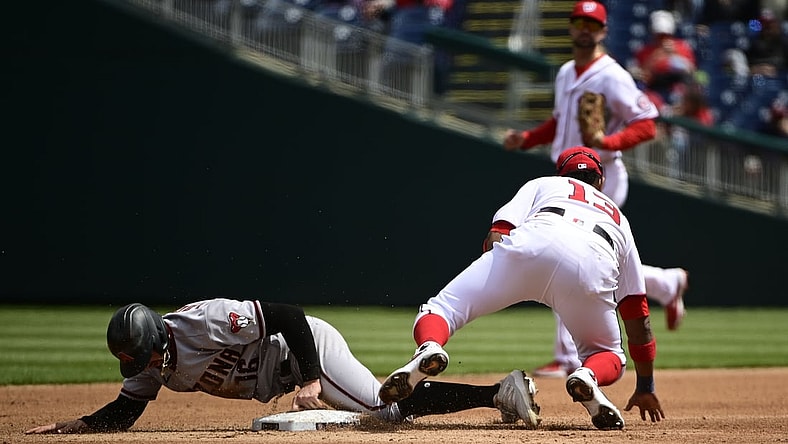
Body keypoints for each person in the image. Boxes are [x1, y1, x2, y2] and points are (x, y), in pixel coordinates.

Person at [378, 146, 665, 430]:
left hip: (533, 241)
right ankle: (588, 376)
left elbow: (497, 234)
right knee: (609, 355)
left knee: (442, 310)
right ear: (601, 181)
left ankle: (430, 347)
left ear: (561, 174)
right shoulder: (619, 218)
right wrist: (646, 385)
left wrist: (500, 279)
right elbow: (636, 310)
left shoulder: (544, 184)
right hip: (594, 261)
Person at [501, 1, 688, 379]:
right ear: (571, 27)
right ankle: (667, 284)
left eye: (593, 23)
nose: (585, 28)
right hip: (564, 174)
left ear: (603, 30)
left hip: (601, 177)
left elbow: (647, 123)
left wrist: (608, 139)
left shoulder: (612, 76)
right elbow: (559, 121)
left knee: (568, 249)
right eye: (579, 22)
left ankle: (567, 356)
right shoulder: (567, 71)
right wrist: (527, 139)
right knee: (584, 256)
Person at [25, 299, 541, 434]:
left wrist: (314, 375)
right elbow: (128, 409)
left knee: (383, 413)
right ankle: (500, 391)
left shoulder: (204, 321)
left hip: (307, 347)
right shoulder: (151, 362)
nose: (145, 368)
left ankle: (501, 391)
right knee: (384, 408)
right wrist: (81, 424)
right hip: (289, 369)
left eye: (145, 357)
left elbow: (288, 315)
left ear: (160, 338)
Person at [633, 10, 698, 109]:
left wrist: (675, 54)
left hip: (678, 88)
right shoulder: (645, 51)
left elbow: (691, 71)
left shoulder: (682, 47)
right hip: (656, 89)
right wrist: (656, 56)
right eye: (659, 36)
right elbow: (644, 77)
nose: (663, 39)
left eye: (666, 35)